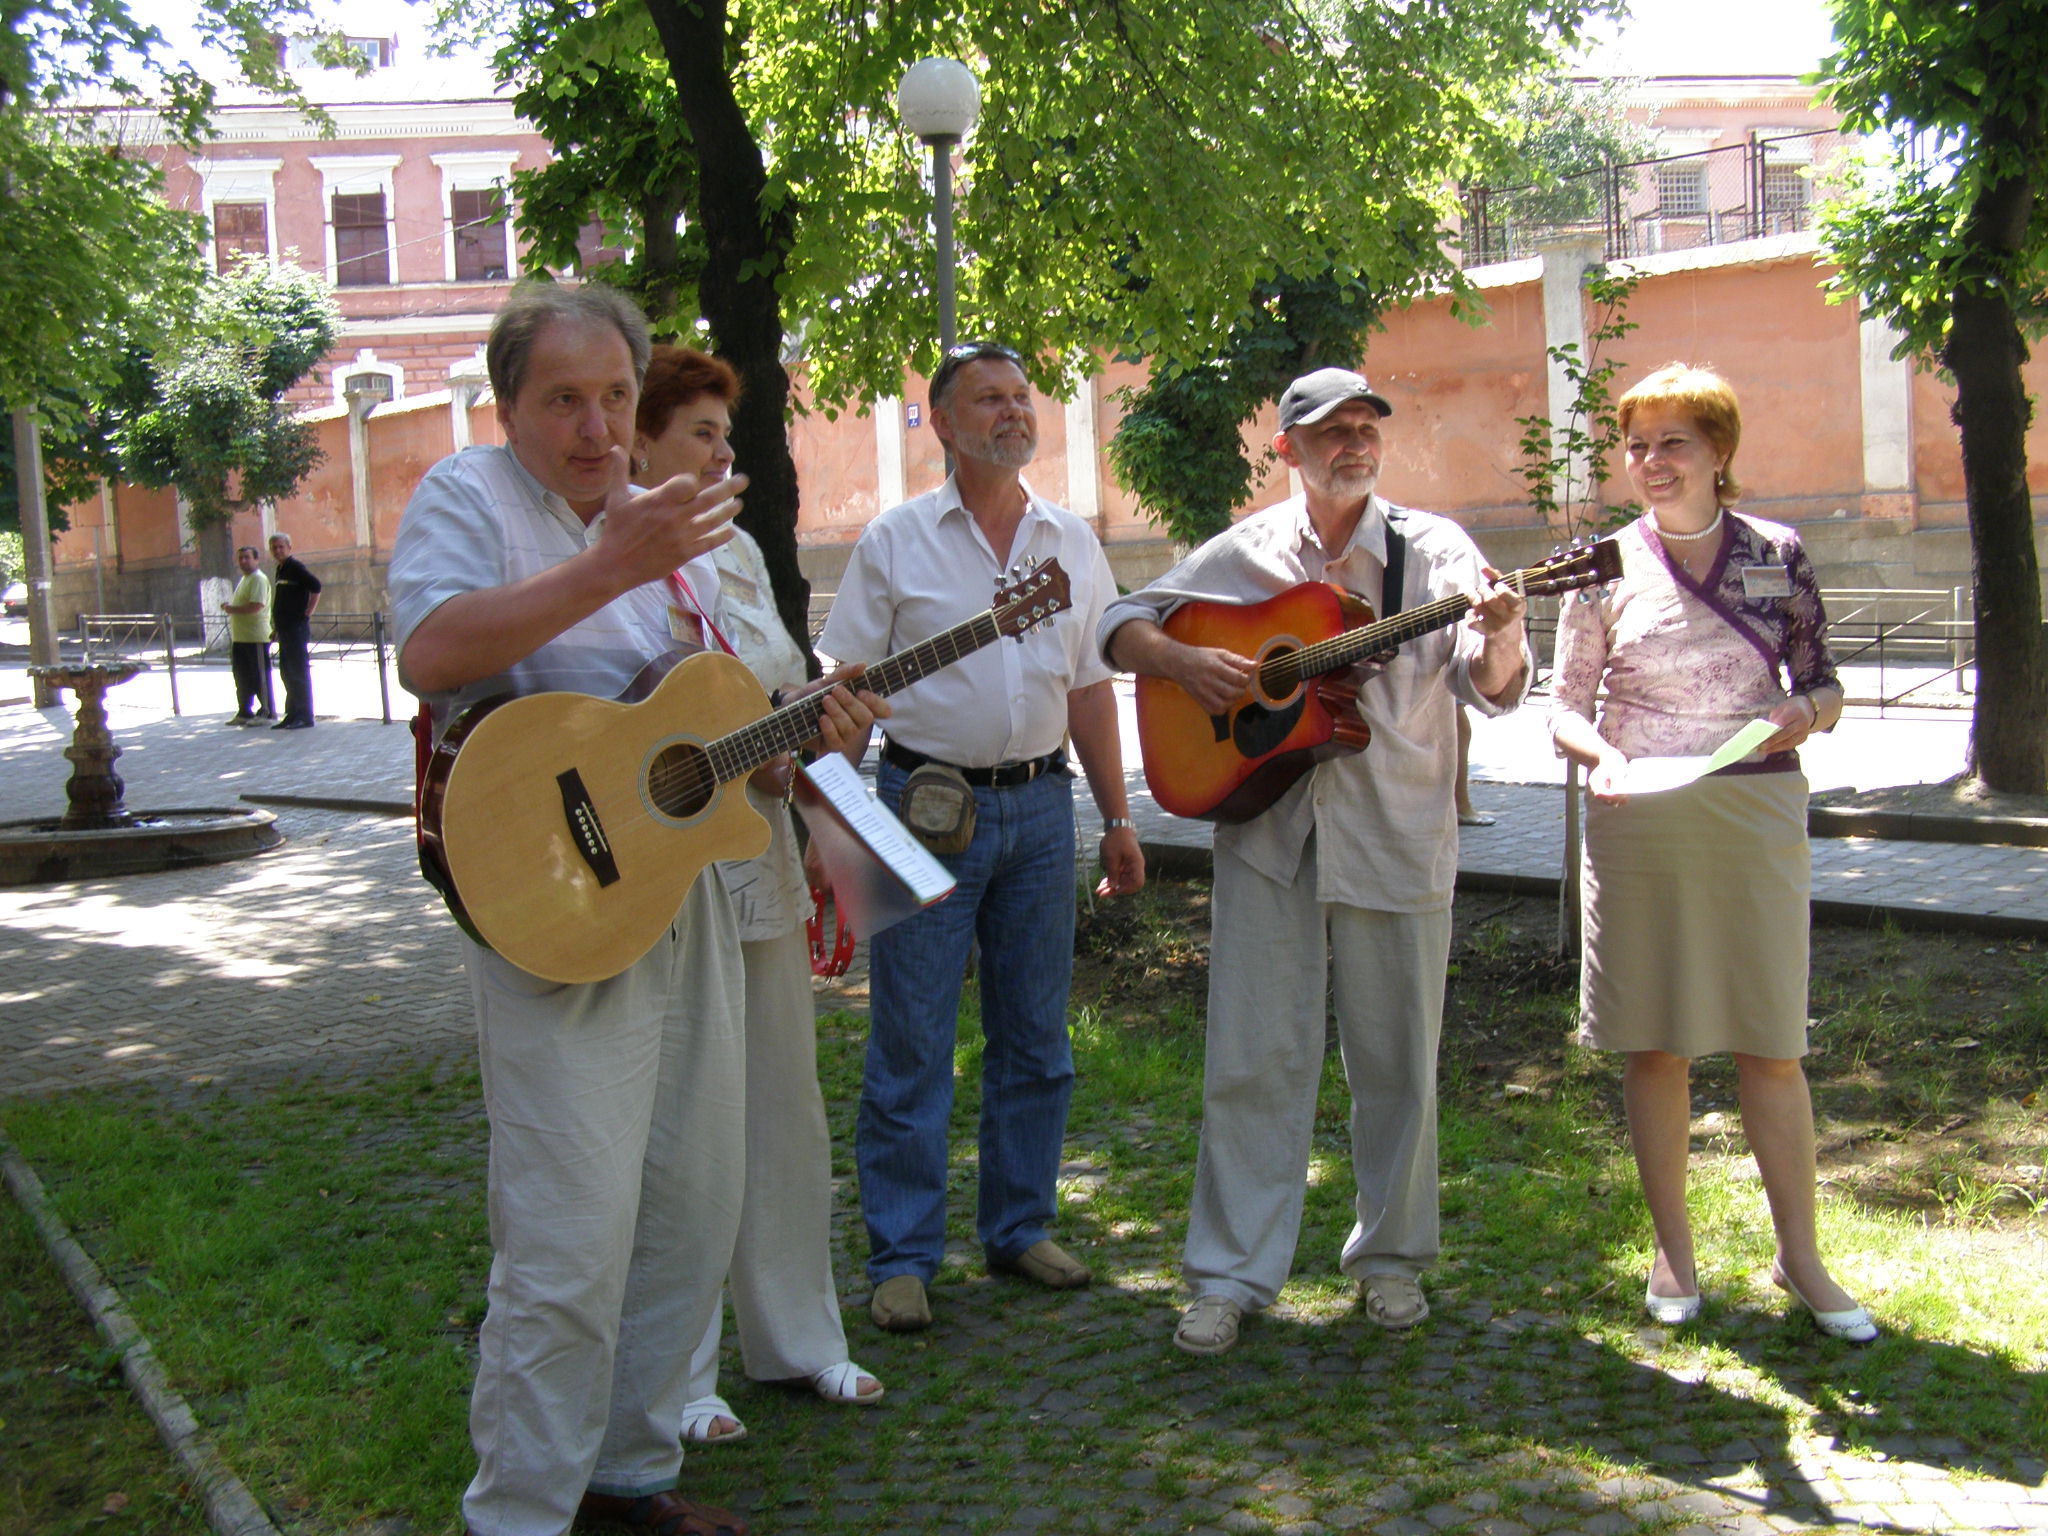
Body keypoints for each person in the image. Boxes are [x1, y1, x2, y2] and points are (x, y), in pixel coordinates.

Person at [389, 283, 882, 1536]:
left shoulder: (676, 535)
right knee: (568, 1228)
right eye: (564, 399)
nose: (597, 427)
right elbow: (430, 653)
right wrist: (610, 561)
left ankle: (628, 1474)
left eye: (614, 396)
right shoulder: (470, 496)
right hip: (550, 902)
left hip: (685, 890)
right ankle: (518, 1512)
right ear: (508, 405)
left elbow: (702, 730)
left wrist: (801, 739)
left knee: (692, 1197)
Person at [1100, 367, 1530, 1355]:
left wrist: (1503, 635)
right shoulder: (1244, 552)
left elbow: (1490, 685)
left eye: (1366, 427)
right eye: (1331, 432)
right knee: (1251, 1061)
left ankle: (1391, 1261)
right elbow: (1118, 625)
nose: (1353, 445)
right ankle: (1228, 1275)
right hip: (1269, 838)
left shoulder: (1435, 552)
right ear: (1287, 448)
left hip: (1395, 833)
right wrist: (1183, 662)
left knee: (1399, 1067)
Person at [816, 340, 1145, 1335]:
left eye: (1020, 396)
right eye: (988, 399)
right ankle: (902, 1256)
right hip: (918, 804)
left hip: (1041, 809)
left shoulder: (1070, 542)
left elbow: (1088, 689)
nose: (1012, 412)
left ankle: (1018, 1225)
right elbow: (845, 690)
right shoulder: (894, 541)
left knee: (1035, 1036)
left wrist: (1117, 818)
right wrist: (828, 824)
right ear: (945, 425)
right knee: (911, 1039)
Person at [1547, 363, 1876, 1342]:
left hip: (1753, 810)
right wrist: (1600, 754)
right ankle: (1672, 1253)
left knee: (1771, 1044)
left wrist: (1805, 712)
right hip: (1638, 818)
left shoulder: (1777, 551)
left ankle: (1799, 1258)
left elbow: (1823, 682)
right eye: (1636, 445)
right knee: (1656, 1043)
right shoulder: (1600, 563)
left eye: (1672, 443)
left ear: (1718, 451)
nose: (1650, 461)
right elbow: (1564, 707)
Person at [630, 344, 883, 1443]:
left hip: (755, 865)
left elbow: (775, 723)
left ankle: (798, 1338)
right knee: (679, 1130)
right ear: (639, 442)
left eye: (727, 436)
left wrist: (822, 738)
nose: (721, 454)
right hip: (651, 880)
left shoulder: (734, 551)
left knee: (783, 1108)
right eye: (700, 432)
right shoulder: (600, 555)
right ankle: (676, 1377)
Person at [268, 531, 322, 729]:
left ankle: (305, 716)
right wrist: (277, 629)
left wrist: (307, 612)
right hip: (285, 630)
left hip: (296, 629)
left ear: (289, 548)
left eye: (281, 547)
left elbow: (316, 586)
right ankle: (292, 714)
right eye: (274, 547)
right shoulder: (281, 569)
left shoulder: (295, 567)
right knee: (287, 673)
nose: (277, 550)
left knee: (298, 673)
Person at [221, 544, 274, 724]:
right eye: (240, 558)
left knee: (259, 676)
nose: (243, 561)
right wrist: (231, 607)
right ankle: (244, 711)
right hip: (241, 637)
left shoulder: (258, 579)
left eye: (247, 557)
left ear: (256, 560)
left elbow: (256, 606)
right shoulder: (245, 579)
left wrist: (231, 609)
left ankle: (267, 712)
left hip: (255, 637)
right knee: (242, 676)